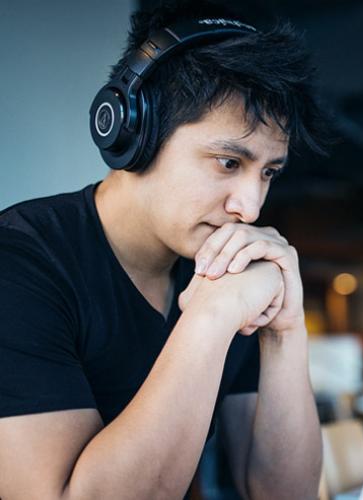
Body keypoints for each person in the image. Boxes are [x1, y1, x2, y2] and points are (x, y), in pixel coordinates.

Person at [0, 1, 330, 499]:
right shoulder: (20, 264)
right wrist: (211, 318)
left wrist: (285, 330)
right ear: (137, 134)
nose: (250, 205)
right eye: (227, 162)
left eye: (268, 172)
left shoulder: (224, 269)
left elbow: (282, 494)